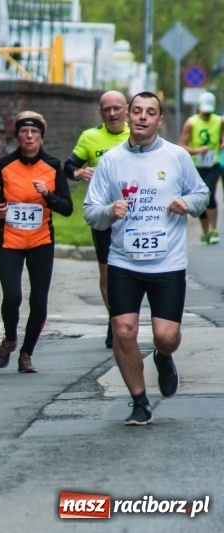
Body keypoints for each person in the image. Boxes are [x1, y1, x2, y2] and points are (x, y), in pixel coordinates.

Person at [84, 92, 209, 426]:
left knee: (166, 336)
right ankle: (139, 401)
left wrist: (188, 204)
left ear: (159, 120)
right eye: (137, 111)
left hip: (168, 264)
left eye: (150, 112)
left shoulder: (177, 156)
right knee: (123, 330)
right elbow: (91, 211)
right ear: (128, 115)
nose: (142, 117)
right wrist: (109, 211)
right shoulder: (111, 160)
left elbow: (202, 193)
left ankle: (163, 357)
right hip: (124, 262)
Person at [0, 111, 73, 374]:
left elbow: (67, 208)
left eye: (34, 132)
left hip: (41, 241)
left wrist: (49, 195)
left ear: (41, 137)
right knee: (12, 296)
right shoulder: (5, 164)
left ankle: (26, 354)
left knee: (39, 301)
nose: (29, 136)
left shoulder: (53, 165)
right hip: (10, 240)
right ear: (18, 136)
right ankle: (10, 338)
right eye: (24, 132)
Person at [64, 91, 130, 349]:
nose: (112, 113)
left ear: (126, 109)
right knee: (107, 270)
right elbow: (69, 167)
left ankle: (128, 317)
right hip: (103, 214)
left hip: (135, 215)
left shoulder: (137, 134)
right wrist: (80, 172)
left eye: (117, 108)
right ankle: (115, 319)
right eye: (107, 109)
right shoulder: (90, 137)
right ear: (100, 112)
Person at [178, 90, 224, 245]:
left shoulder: (219, 121)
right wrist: (197, 150)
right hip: (196, 166)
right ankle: (205, 232)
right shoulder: (191, 123)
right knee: (199, 198)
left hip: (213, 164)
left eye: (209, 112)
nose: (207, 115)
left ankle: (213, 229)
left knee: (209, 193)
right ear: (199, 108)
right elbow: (182, 146)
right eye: (204, 112)